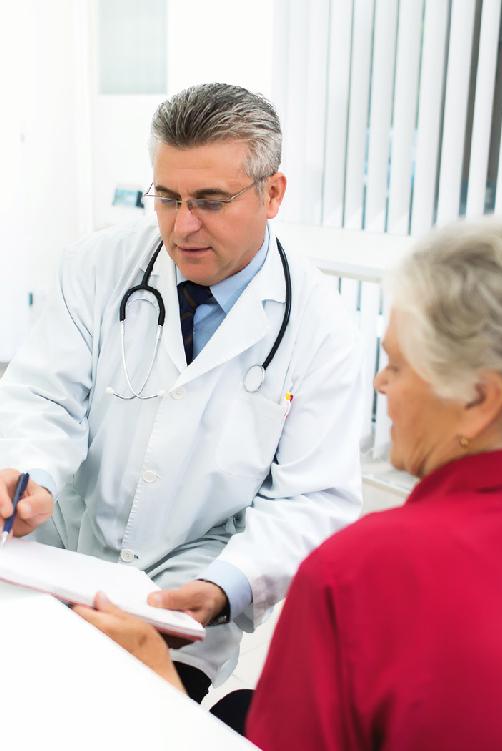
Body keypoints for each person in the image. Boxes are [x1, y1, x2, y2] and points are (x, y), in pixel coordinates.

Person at [78, 214, 502, 749]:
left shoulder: (362, 574)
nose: (381, 384)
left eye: (399, 365)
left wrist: (156, 681)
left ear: (481, 399)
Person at [0, 83, 363, 700]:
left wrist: (227, 585)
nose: (182, 225)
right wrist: (28, 476)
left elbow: (312, 499)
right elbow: (44, 397)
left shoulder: (323, 328)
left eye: (210, 201)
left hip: (184, 601)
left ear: (272, 193)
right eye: (166, 198)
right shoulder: (99, 266)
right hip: (55, 560)